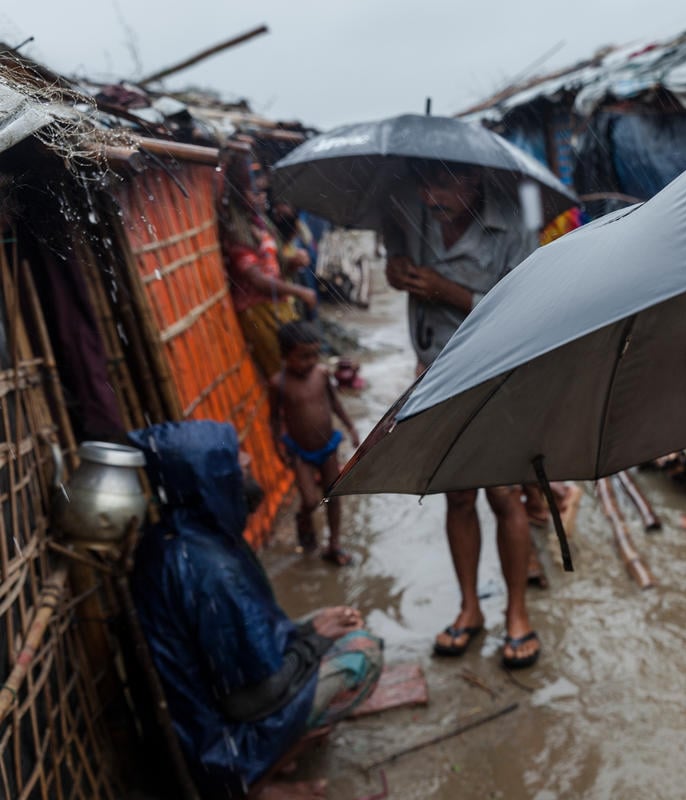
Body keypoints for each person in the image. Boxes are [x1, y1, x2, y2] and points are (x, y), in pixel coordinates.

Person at [129, 420, 383, 799]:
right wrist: (313, 639)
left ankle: (271, 763)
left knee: (323, 622)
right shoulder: (210, 569)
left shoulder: (179, 537)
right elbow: (249, 700)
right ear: (209, 475)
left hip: (200, 719)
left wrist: (308, 632)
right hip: (219, 745)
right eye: (234, 456)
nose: (247, 459)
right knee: (363, 652)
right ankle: (255, 783)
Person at [383, 159, 542, 669]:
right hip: (436, 372)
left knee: (503, 494)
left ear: (472, 179)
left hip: (496, 373)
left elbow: (526, 310)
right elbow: (395, 243)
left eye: (441, 185)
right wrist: (397, 267)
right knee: (456, 495)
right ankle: (469, 608)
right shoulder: (414, 212)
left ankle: (517, 613)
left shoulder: (513, 227)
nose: (430, 196)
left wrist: (446, 290)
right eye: (423, 184)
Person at [219, 151, 317, 378]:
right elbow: (257, 280)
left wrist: (292, 263)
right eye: (254, 192)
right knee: (283, 373)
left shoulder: (261, 224)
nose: (262, 197)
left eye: (263, 191)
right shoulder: (236, 231)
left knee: (296, 369)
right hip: (259, 313)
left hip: (278, 306)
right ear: (238, 195)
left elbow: (275, 270)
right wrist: (299, 291)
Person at [270, 321, 360, 566]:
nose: (310, 362)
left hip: (327, 446)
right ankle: (303, 519)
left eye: (314, 355)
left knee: (333, 493)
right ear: (285, 355)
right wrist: (279, 447)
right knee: (310, 500)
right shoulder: (279, 383)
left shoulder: (321, 375)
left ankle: (334, 544)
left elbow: (335, 403)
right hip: (299, 451)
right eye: (303, 357)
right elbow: (275, 418)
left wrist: (351, 427)